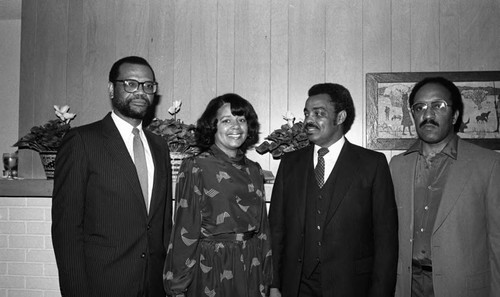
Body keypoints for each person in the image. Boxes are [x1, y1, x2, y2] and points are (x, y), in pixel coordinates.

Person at [52, 56, 173, 297]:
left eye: (148, 86)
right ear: (111, 89)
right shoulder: (82, 142)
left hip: (154, 285)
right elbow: (66, 229)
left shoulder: (160, 147)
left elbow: (162, 225)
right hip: (104, 284)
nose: (141, 92)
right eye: (131, 84)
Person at [269, 83, 398, 297]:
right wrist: (274, 284)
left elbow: (385, 239)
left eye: (319, 113)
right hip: (296, 286)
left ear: (340, 117)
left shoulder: (372, 164)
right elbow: (276, 229)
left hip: (351, 286)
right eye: (307, 113)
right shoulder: (290, 163)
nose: (309, 120)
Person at [390, 77, 500, 297]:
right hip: (406, 287)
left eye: (438, 106)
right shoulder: (396, 166)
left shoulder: (488, 164)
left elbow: (497, 243)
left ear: (455, 115)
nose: (427, 115)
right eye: (419, 107)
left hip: (462, 287)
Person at [163, 93, 272, 297]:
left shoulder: (254, 170)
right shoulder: (196, 166)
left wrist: (267, 277)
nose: (236, 126)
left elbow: (263, 228)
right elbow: (185, 229)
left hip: (251, 265)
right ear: (213, 126)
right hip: (212, 265)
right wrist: (177, 285)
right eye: (226, 120)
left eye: (241, 120)